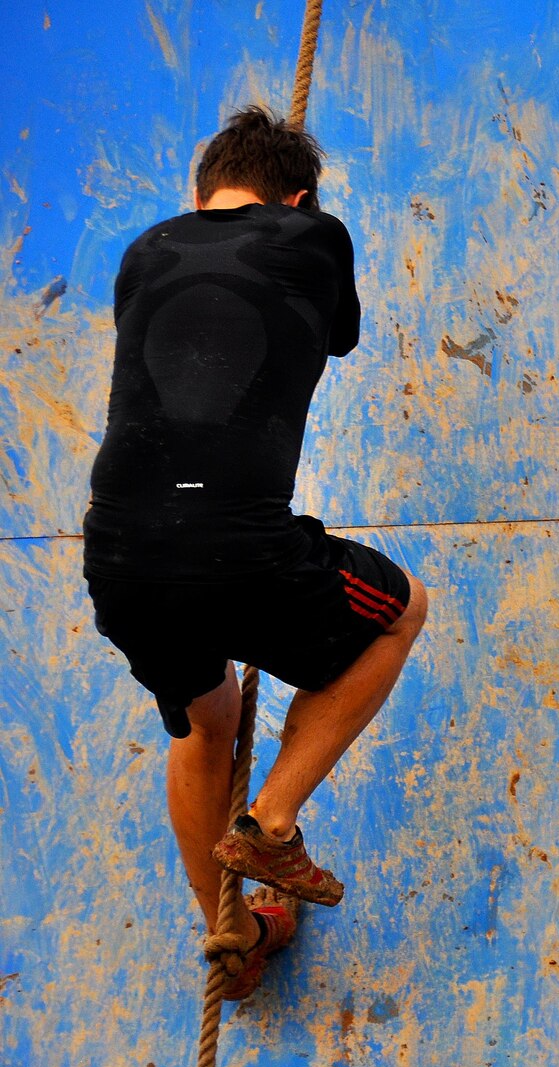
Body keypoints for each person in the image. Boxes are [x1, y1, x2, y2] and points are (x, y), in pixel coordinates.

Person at [83, 107, 427, 1000]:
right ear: (301, 198)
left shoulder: (145, 250)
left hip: (118, 558)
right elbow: (339, 334)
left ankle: (229, 930)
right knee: (401, 611)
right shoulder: (313, 234)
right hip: (238, 547)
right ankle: (271, 822)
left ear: (197, 197)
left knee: (208, 721)